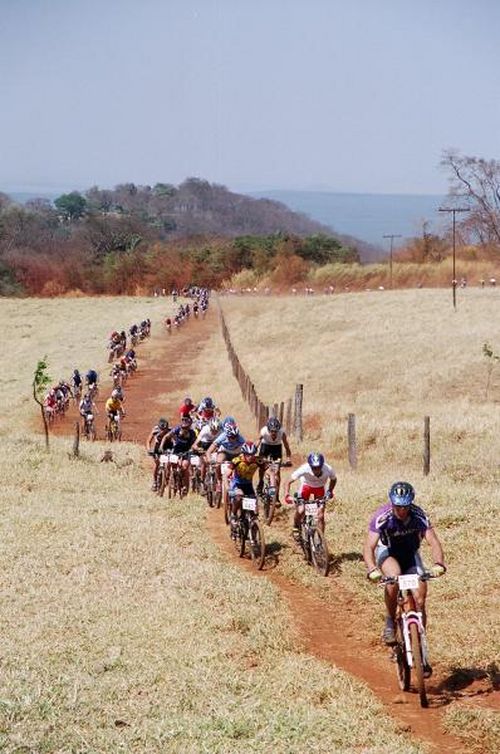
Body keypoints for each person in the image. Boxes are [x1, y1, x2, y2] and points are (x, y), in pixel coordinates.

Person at [363, 481, 446, 667]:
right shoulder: (382, 517)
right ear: (392, 503)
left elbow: (433, 541)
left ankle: (420, 644)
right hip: (389, 554)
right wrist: (371, 569)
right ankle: (390, 622)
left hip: (410, 555)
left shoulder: (418, 515)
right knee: (393, 580)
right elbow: (369, 546)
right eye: (398, 506)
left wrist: (438, 563)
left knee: (420, 597)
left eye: (405, 506)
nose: (401, 511)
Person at [284, 452, 337, 539]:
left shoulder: (328, 469)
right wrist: (286, 495)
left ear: (322, 465)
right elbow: (288, 481)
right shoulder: (304, 468)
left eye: (319, 467)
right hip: (306, 487)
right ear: (310, 466)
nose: (316, 470)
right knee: (301, 510)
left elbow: (334, 479)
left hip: (320, 488)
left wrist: (330, 491)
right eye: (314, 468)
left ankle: (320, 540)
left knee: (320, 515)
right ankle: (296, 526)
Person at [227, 442, 262, 537]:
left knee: (255, 511)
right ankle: (233, 516)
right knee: (239, 497)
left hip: (248, 485)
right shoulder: (236, 460)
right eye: (248, 455)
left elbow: (269, 472)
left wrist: (270, 484)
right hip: (237, 484)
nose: (250, 457)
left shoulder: (258, 460)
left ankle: (253, 530)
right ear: (243, 454)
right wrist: (228, 488)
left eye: (252, 454)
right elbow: (227, 474)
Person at [205, 419, 246, 492]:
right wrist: (209, 459)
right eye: (231, 437)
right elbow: (209, 451)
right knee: (218, 463)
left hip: (236, 454)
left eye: (235, 437)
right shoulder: (222, 437)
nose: (233, 439)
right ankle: (218, 482)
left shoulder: (241, 439)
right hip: (224, 452)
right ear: (227, 435)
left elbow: (246, 452)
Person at [256, 417, 292, 500]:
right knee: (261, 466)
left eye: (275, 431)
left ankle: (277, 496)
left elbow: (286, 446)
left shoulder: (282, 433)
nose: (274, 433)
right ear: (268, 430)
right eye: (272, 431)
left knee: (277, 472)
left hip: (276, 448)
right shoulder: (264, 431)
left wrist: (288, 458)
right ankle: (261, 481)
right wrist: (253, 452)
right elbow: (258, 442)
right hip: (265, 447)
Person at [159, 415, 197, 492]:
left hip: (186, 451)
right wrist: (161, 446)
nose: (184, 429)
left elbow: (195, 443)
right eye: (183, 428)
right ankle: (171, 479)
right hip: (176, 450)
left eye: (186, 428)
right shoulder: (176, 429)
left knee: (184, 467)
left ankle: (185, 486)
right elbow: (166, 437)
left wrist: (194, 449)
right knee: (172, 464)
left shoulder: (192, 433)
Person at [191, 418, 222, 490]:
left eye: (216, 431)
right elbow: (195, 444)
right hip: (203, 445)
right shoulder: (205, 430)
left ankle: (217, 481)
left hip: (212, 445)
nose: (214, 432)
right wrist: (197, 448)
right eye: (213, 430)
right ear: (210, 427)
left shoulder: (220, 432)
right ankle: (202, 481)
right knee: (204, 462)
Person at [145, 418, 172, 491]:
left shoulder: (171, 431)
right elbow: (148, 441)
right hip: (157, 448)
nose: (163, 431)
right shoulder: (155, 430)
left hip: (167, 447)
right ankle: (155, 482)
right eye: (162, 429)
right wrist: (149, 450)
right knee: (157, 464)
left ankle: (168, 477)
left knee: (168, 463)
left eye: (165, 429)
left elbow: (175, 441)